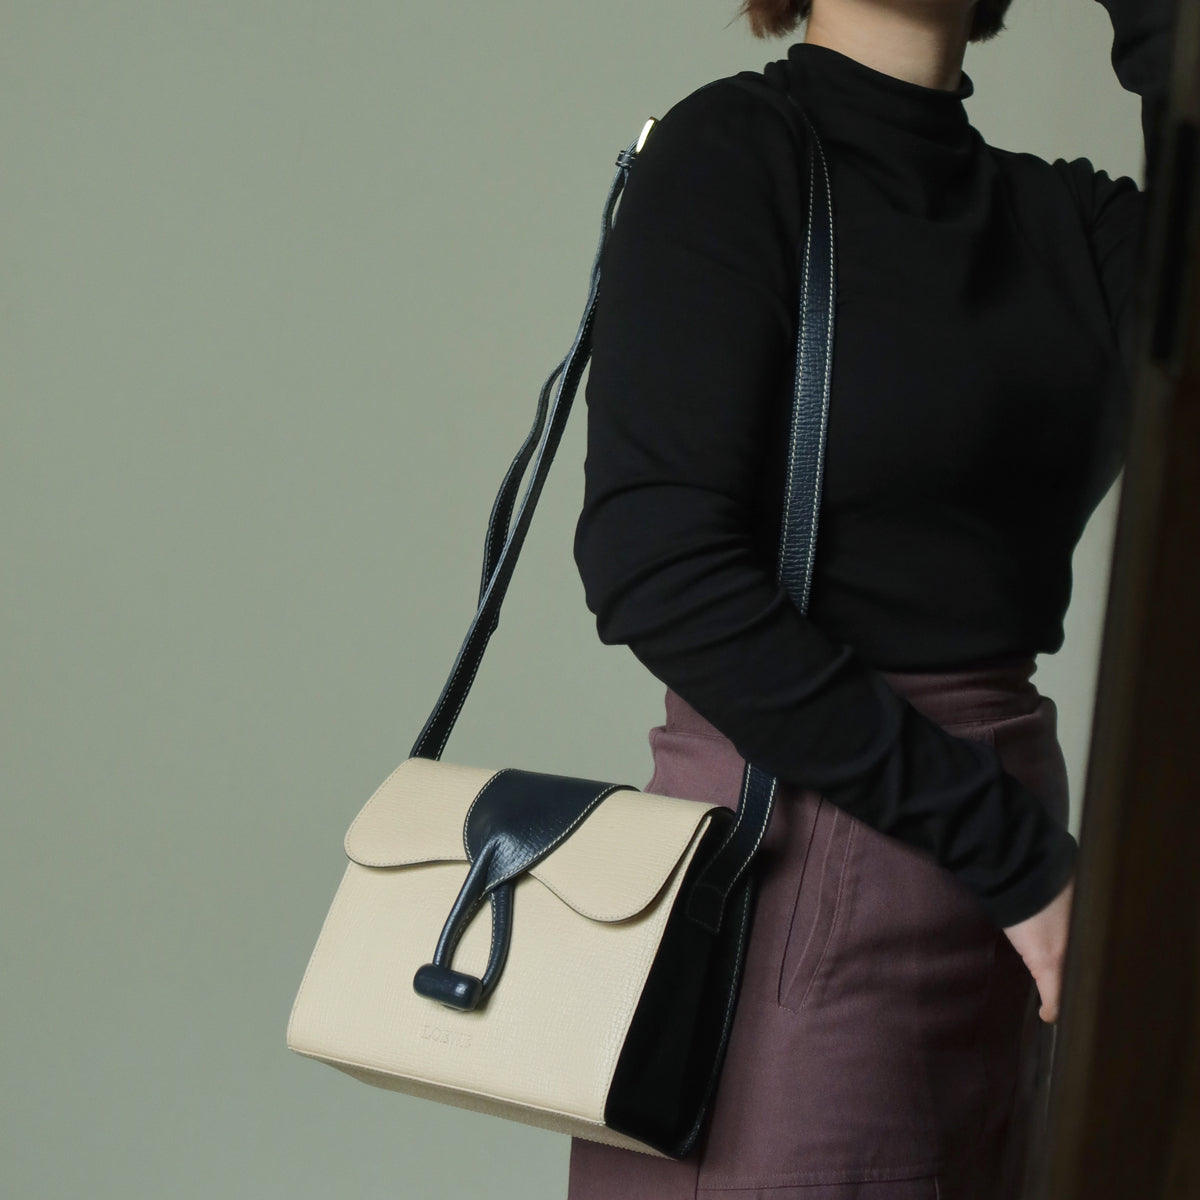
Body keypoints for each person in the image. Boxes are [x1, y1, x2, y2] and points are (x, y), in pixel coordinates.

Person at [567, 0, 1174, 1196]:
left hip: (1019, 896)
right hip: (802, 861)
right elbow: (655, 561)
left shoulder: (1071, 224)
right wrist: (1015, 857)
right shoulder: (730, 156)